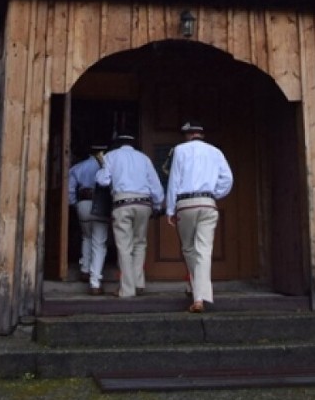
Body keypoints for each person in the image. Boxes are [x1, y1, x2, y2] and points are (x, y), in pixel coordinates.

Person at [165, 120, 233, 313]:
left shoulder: (179, 150)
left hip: (186, 203)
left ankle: (197, 294)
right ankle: (199, 296)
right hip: (208, 203)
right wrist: (213, 193)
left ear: (187, 135)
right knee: (204, 250)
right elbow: (227, 179)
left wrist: (170, 209)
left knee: (188, 248)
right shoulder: (215, 151)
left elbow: (174, 180)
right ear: (201, 134)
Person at [95, 133, 165, 298]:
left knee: (124, 247)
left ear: (117, 144)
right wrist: (157, 205)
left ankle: (127, 289)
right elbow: (155, 185)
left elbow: (103, 181)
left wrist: (101, 167)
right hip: (144, 204)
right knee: (140, 243)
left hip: (123, 203)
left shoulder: (111, 156)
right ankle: (139, 283)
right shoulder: (144, 158)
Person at [67, 142, 109, 295]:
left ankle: (85, 269)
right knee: (99, 242)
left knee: (86, 236)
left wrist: (74, 204)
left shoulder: (78, 167)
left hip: (83, 203)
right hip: (101, 203)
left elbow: (70, 190)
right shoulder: (106, 166)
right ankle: (95, 282)